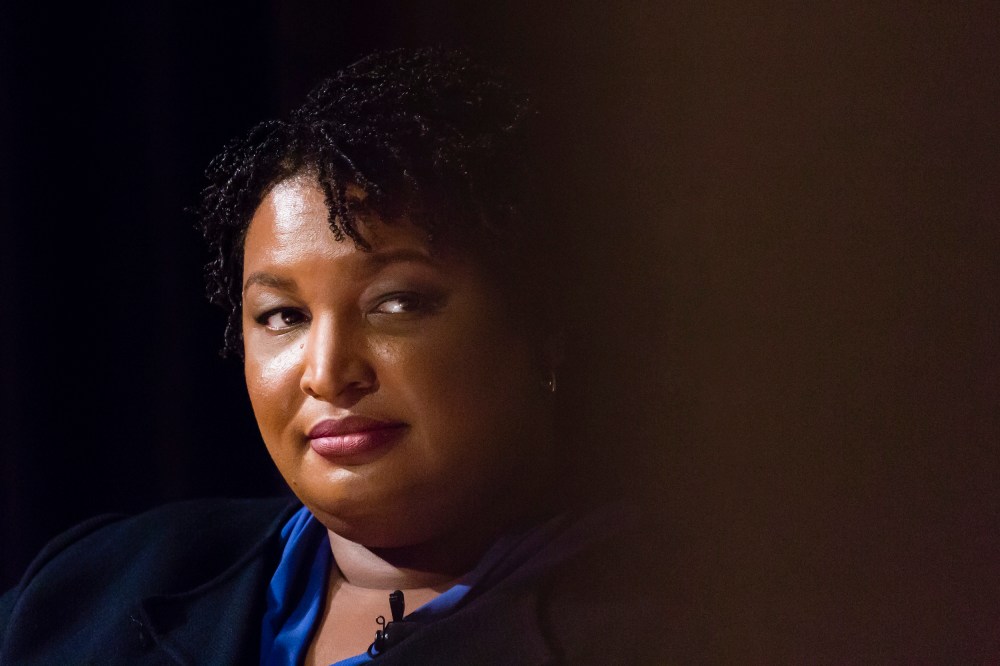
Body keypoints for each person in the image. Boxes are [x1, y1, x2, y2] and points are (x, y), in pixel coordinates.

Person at [0, 48, 655, 664]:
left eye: (396, 304)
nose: (327, 372)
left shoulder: (691, 623)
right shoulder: (88, 588)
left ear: (542, 326)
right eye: (284, 316)